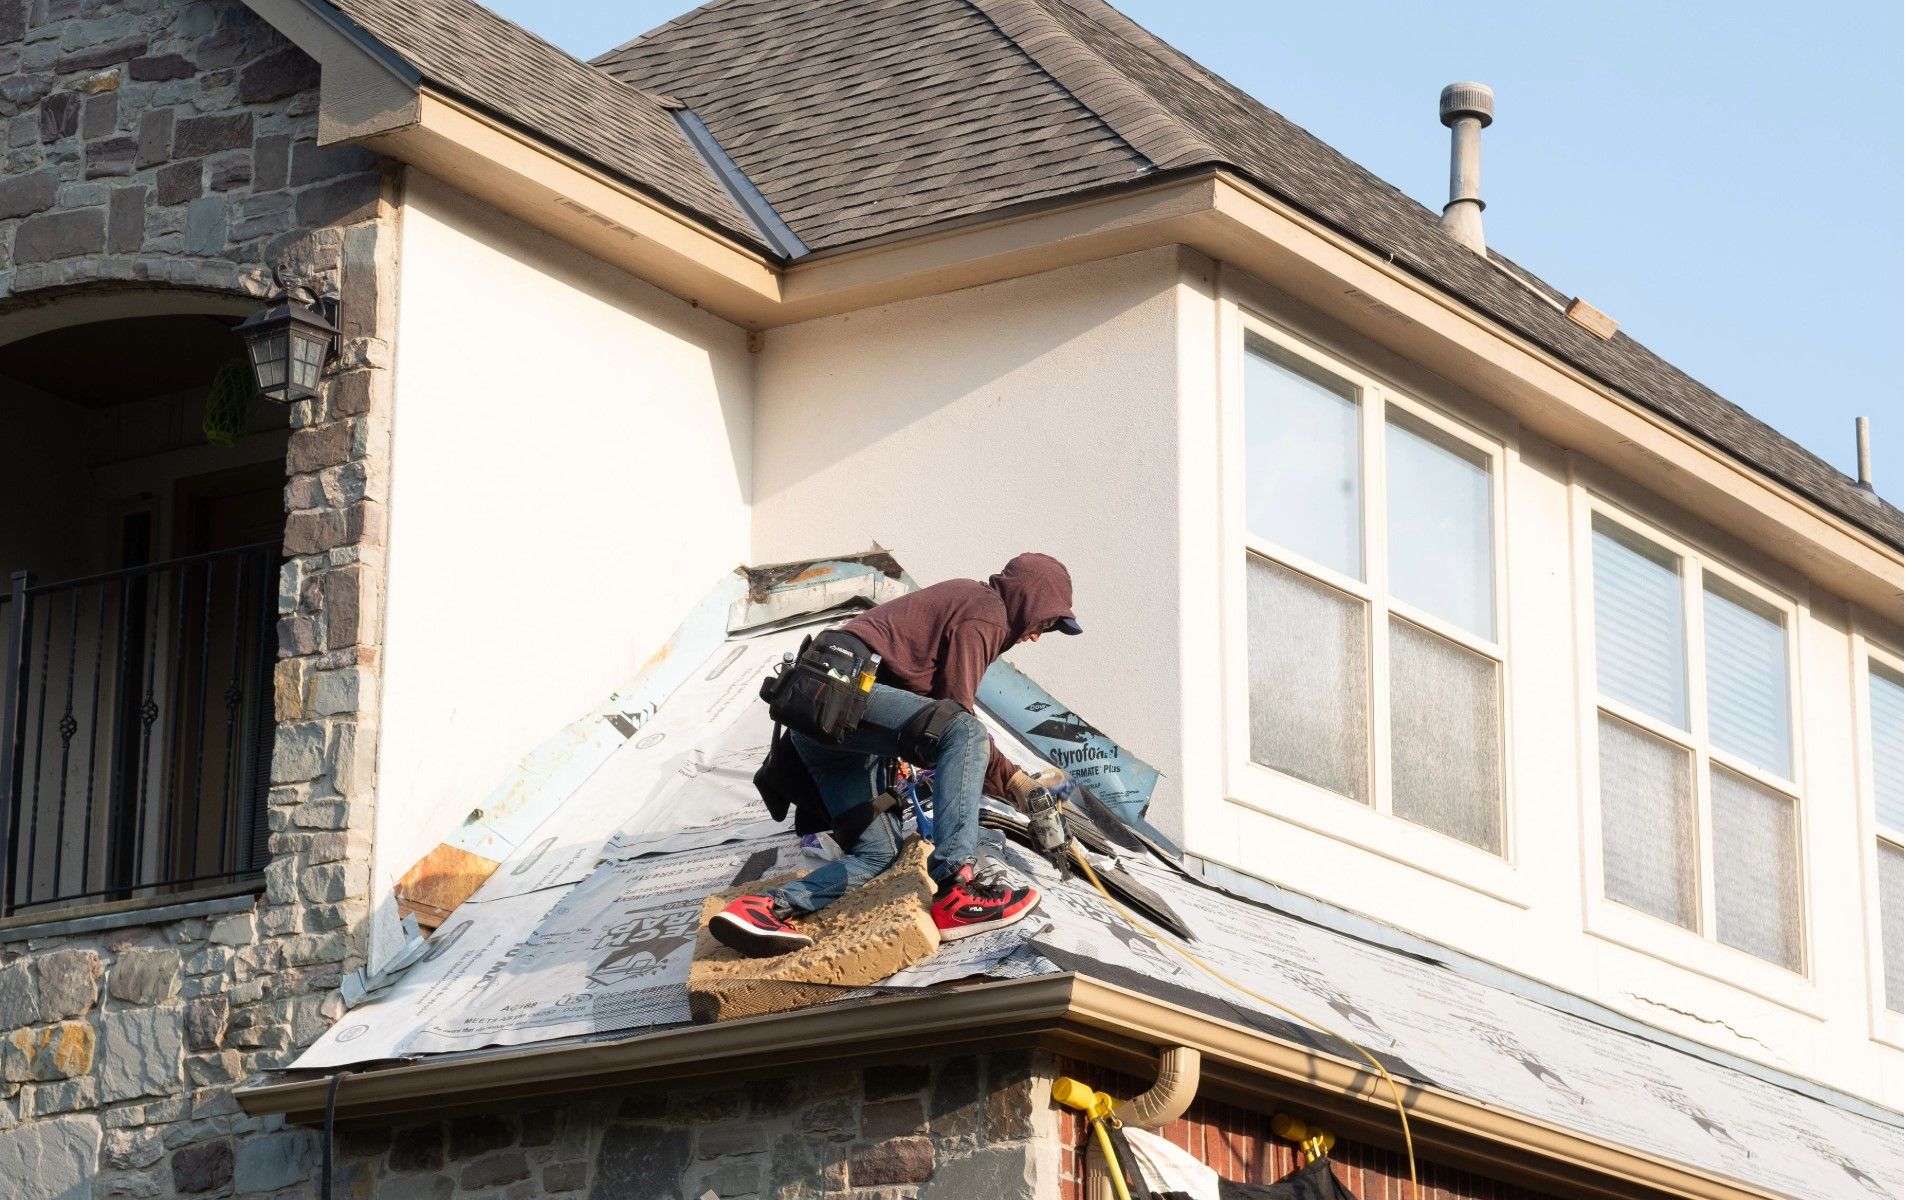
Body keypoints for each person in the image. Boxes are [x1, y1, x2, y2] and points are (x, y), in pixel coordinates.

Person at [710, 552, 1082, 957]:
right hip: (842, 695)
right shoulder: (986, 611)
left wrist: (1010, 781)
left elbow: (935, 717)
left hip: (827, 718)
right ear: (1028, 598)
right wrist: (1015, 782)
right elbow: (955, 718)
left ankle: (766, 908)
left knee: (877, 854)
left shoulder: (970, 606)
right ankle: (957, 889)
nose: (1037, 636)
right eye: (1045, 622)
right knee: (966, 730)